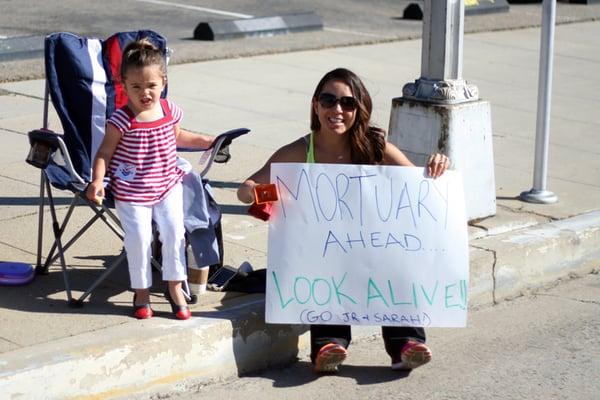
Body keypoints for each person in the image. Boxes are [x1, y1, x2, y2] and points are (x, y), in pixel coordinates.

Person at [237, 68, 450, 372]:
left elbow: (418, 185)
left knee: (394, 264)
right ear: (316, 105)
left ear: (358, 109)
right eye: (328, 100)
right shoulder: (300, 150)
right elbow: (245, 190)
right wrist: (269, 194)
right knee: (325, 270)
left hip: (372, 248)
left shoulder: (374, 146)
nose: (337, 110)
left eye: (347, 103)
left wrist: (438, 165)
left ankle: (406, 344)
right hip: (324, 253)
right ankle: (329, 344)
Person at [86, 38, 215, 320]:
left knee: (174, 234)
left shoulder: (169, 110)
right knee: (140, 238)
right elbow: (104, 153)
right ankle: (141, 291)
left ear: (163, 82)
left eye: (151, 86)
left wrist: (207, 140)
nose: (145, 93)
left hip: (167, 184)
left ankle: (174, 286)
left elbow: (179, 136)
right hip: (132, 190)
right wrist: (97, 181)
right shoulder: (122, 119)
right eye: (136, 87)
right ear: (124, 85)